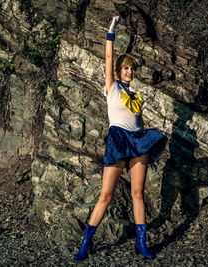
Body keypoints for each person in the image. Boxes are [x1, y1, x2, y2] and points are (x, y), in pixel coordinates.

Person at [73, 16, 167, 261]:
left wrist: (149, 150)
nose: (130, 71)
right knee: (106, 195)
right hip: (117, 139)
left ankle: (141, 243)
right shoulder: (112, 88)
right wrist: (111, 32)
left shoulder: (135, 96)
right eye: (126, 68)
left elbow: (139, 122)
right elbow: (107, 58)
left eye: (132, 68)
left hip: (137, 141)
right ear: (118, 71)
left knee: (138, 193)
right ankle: (86, 243)